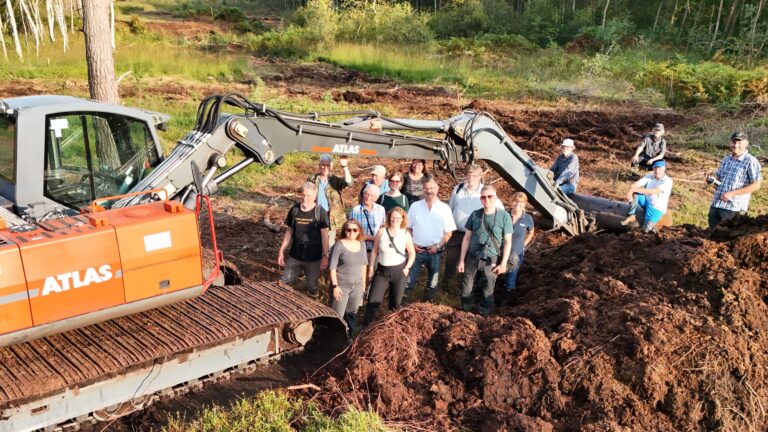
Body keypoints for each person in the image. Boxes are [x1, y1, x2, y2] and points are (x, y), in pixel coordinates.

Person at [457, 185, 513, 316]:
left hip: (491, 258)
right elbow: (466, 238)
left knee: (488, 288)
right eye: (483, 197)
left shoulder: (504, 216)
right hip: (473, 256)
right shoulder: (475, 214)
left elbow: (507, 241)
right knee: (466, 286)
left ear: (495, 197)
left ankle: (484, 314)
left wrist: (503, 263)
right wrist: (461, 261)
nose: (486, 199)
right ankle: (465, 311)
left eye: (489, 196)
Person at [444, 165, 503, 281]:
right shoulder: (458, 188)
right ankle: (447, 285)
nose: (470, 178)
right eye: (468, 175)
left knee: (469, 262)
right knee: (451, 259)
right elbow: (449, 209)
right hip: (456, 232)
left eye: (474, 176)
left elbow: (500, 211)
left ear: (480, 177)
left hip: (472, 234)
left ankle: (462, 287)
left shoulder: (484, 193)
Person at [405, 177, 456, 302]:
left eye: (432, 188)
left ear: (437, 189)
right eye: (426, 188)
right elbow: (408, 229)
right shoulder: (415, 206)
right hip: (416, 250)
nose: (429, 191)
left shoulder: (445, 208)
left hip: (435, 251)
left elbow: (448, 233)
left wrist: (437, 246)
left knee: (432, 283)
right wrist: (412, 244)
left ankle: (427, 306)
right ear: (423, 190)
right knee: (408, 282)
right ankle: (402, 305)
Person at [277, 182, 330, 299]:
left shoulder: (320, 212)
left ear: (315, 196)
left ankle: (313, 303)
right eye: (303, 195)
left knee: (312, 285)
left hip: (313, 257)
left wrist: (325, 255)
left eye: (309, 196)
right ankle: (279, 302)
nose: (305, 198)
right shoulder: (294, 210)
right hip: (295, 255)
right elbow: (289, 231)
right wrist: (281, 250)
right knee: (284, 281)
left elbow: (325, 235)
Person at [365, 207, 416, 324]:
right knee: (373, 301)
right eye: (393, 217)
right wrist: (371, 268)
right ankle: (366, 328)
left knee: (395, 304)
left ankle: (391, 328)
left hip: (399, 272)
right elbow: (374, 251)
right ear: (389, 217)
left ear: (402, 219)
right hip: (382, 271)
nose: (395, 219)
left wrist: (407, 268)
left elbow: (412, 253)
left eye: (398, 217)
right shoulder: (382, 231)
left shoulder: (405, 234)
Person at [707, 131, 762, 228]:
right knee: (711, 235)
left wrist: (732, 193)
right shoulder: (727, 159)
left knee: (728, 237)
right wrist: (712, 180)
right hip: (716, 204)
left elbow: (756, 185)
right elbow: (719, 178)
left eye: (739, 142)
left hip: (733, 208)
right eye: (734, 142)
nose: (736, 145)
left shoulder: (751, 161)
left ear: (746, 144)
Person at [328, 219, 368, 339]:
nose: (351, 232)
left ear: (358, 231)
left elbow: (364, 265)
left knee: (352, 313)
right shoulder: (339, 245)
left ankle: (349, 337)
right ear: (345, 231)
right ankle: (334, 338)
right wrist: (335, 286)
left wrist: (364, 284)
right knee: (338, 315)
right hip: (341, 286)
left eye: (354, 230)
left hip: (357, 285)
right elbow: (332, 267)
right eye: (348, 230)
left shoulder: (362, 244)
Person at [307, 154, 352, 244]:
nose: (325, 167)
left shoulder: (335, 180)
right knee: (314, 240)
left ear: (331, 166)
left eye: (328, 165)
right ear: (319, 165)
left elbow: (349, 182)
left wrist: (345, 167)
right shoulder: (312, 179)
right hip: (315, 214)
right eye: (323, 165)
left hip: (330, 217)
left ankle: (327, 256)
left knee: (329, 242)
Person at [620, 160, 673, 232]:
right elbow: (637, 184)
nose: (657, 171)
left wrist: (634, 189)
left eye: (659, 168)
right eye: (655, 168)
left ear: (664, 169)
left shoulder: (668, 181)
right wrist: (631, 191)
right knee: (634, 194)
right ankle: (631, 215)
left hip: (656, 207)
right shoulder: (650, 176)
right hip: (646, 201)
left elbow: (652, 192)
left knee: (647, 231)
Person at [505, 192, 535, 292]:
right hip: (501, 251)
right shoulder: (505, 215)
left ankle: (508, 299)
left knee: (510, 279)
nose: (518, 204)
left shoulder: (527, 218)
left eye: (521, 202)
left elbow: (531, 232)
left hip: (516, 253)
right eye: (515, 201)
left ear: (525, 204)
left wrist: (524, 244)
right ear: (511, 202)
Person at [349, 184, 386, 253]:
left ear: (376, 198)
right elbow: (350, 230)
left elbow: (383, 228)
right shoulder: (355, 210)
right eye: (366, 194)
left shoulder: (381, 210)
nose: (368, 197)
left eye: (372, 196)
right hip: (359, 249)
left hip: (376, 249)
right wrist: (370, 238)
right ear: (363, 195)